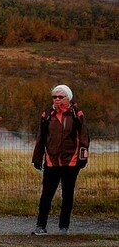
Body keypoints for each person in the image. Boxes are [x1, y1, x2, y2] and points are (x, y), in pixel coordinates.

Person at [31, 84, 90, 235]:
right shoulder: (47, 114)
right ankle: (40, 225)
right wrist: (37, 158)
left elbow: (84, 137)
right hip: (51, 160)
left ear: (68, 97)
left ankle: (64, 226)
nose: (57, 99)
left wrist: (83, 158)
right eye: (54, 97)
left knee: (67, 194)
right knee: (46, 194)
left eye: (60, 97)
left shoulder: (77, 114)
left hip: (71, 161)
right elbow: (41, 138)